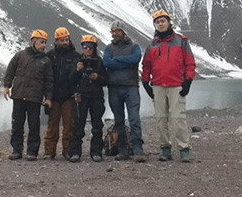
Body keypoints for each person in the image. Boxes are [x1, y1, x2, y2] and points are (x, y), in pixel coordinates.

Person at [141, 10, 197, 162]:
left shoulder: (181, 41)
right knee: (161, 119)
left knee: (178, 118)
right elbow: (146, 65)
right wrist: (146, 83)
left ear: (169, 22)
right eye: (157, 22)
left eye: (163, 21)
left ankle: (184, 148)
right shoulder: (152, 44)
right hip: (158, 86)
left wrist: (188, 82)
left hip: (176, 85)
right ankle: (165, 148)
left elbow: (190, 63)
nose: (160, 24)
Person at [3, 30, 54, 161]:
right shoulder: (20, 55)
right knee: (17, 124)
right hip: (19, 96)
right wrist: (6, 86)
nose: (43, 45)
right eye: (41, 42)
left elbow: (49, 81)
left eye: (45, 43)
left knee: (34, 126)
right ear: (33, 41)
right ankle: (16, 150)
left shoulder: (46, 61)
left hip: (35, 98)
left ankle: (32, 152)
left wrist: (48, 98)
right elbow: (10, 70)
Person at [102, 20, 145, 162]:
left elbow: (136, 58)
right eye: (112, 31)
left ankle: (138, 149)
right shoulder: (109, 48)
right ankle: (122, 150)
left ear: (123, 32)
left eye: (117, 31)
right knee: (118, 120)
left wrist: (117, 60)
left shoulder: (134, 47)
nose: (114, 34)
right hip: (114, 88)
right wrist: (125, 62)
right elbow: (106, 62)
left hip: (131, 87)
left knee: (134, 118)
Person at [68, 34, 109, 163]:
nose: (88, 49)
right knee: (78, 124)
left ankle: (96, 152)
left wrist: (97, 78)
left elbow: (106, 80)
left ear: (94, 47)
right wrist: (77, 70)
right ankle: (75, 152)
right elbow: (70, 79)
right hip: (81, 96)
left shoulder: (99, 61)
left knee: (97, 124)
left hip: (96, 96)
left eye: (90, 47)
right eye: (85, 46)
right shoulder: (77, 60)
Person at [42, 27, 80, 160]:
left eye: (67, 39)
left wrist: (77, 92)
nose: (65, 42)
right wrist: (47, 97)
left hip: (69, 96)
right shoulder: (50, 55)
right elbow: (46, 77)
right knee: (52, 125)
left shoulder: (75, 56)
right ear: (56, 41)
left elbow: (78, 77)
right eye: (62, 40)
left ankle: (68, 151)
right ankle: (49, 152)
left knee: (69, 125)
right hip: (54, 97)